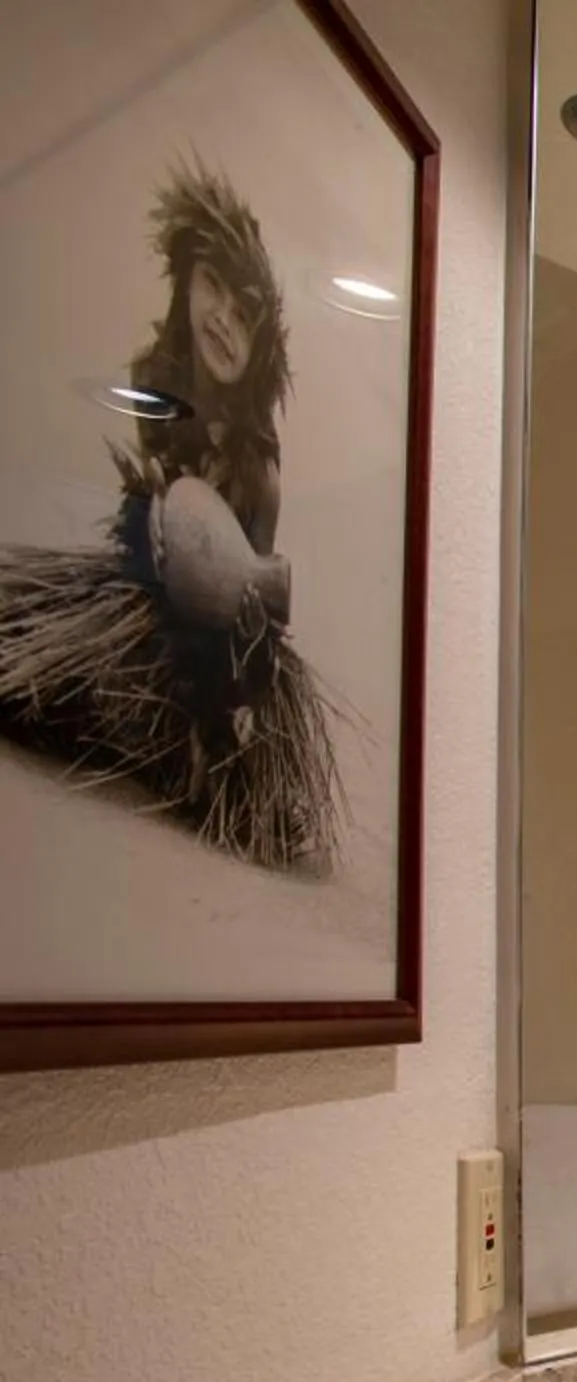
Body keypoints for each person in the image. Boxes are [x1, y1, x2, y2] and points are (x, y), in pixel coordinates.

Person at [0, 158, 340, 871]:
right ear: (186, 277)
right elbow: (154, 511)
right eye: (213, 286)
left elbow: (250, 601)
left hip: (211, 641)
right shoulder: (153, 377)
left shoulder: (258, 465)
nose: (222, 319)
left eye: (245, 317)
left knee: (172, 729)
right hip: (142, 596)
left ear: (263, 347)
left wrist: (239, 644)